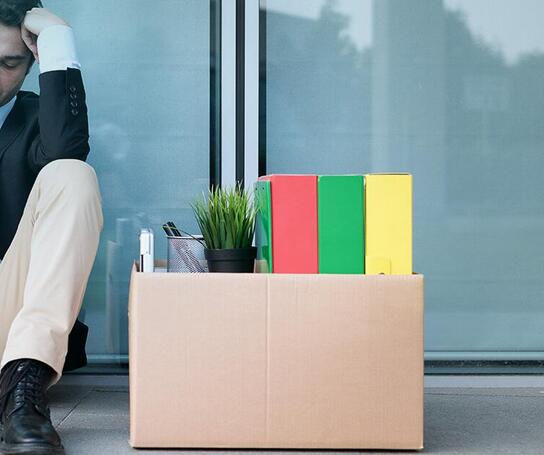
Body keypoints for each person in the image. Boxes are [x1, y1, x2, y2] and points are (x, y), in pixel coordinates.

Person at [0, 1, 103, 453]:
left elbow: (66, 150)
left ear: (29, 67)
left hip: (8, 325)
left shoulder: (36, 121)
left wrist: (57, 37)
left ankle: (22, 390)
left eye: (8, 63)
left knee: (73, 175)